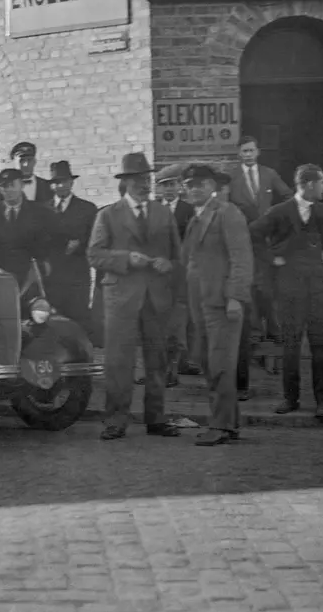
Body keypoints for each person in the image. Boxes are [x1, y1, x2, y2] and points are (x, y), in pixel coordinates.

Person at [88, 152, 182, 441]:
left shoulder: (163, 213)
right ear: (126, 182)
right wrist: (127, 258)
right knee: (119, 362)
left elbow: (178, 257)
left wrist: (169, 265)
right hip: (121, 299)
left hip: (156, 298)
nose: (145, 184)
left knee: (157, 360)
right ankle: (116, 420)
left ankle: (156, 418)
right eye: (139, 179)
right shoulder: (108, 214)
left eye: (147, 179)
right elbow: (95, 255)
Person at [249, 164, 323, 420]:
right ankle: (290, 398)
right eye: (322, 182)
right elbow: (254, 233)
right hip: (289, 286)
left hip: (317, 286)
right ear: (308, 184)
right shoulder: (280, 212)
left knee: (322, 343)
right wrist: (272, 259)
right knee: (291, 344)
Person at [181, 165, 254, 446]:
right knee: (208, 362)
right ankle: (229, 422)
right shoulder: (195, 219)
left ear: (213, 186)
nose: (194, 189)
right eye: (189, 184)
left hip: (222, 304)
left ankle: (220, 425)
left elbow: (241, 258)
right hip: (199, 303)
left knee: (221, 363)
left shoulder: (228, 213)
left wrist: (236, 297)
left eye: (200, 184)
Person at [229, 135, 292, 400]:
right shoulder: (232, 178)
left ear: (258, 151)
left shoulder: (269, 174)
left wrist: (275, 216)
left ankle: (274, 337)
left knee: (267, 289)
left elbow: (288, 195)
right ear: (238, 154)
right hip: (244, 239)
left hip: (267, 241)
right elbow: (226, 204)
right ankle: (253, 338)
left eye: (252, 150)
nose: (248, 155)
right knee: (250, 288)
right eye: (244, 151)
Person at [0, 168, 56, 295]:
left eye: (12, 185)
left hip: (31, 278)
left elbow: (50, 245)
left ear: (22, 185)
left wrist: (44, 265)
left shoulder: (41, 213)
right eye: (4, 186)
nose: (8, 190)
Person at [154, 163, 197, 385]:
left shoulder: (188, 211)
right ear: (159, 189)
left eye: (172, 185)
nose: (169, 190)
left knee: (182, 318)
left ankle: (182, 363)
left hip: (181, 272)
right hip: (159, 274)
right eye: (164, 186)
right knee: (160, 320)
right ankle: (162, 367)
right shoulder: (153, 209)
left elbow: (191, 241)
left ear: (180, 186)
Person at [44, 161, 97, 328]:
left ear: (71, 182)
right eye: (56, 183)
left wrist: (80, 244)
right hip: (52, 276)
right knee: (53, 321)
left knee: (78, 318)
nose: (60, 186)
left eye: (64, 182)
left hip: (77, 275)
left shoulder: (87, 209)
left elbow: (95, 240)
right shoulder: (42, 210)